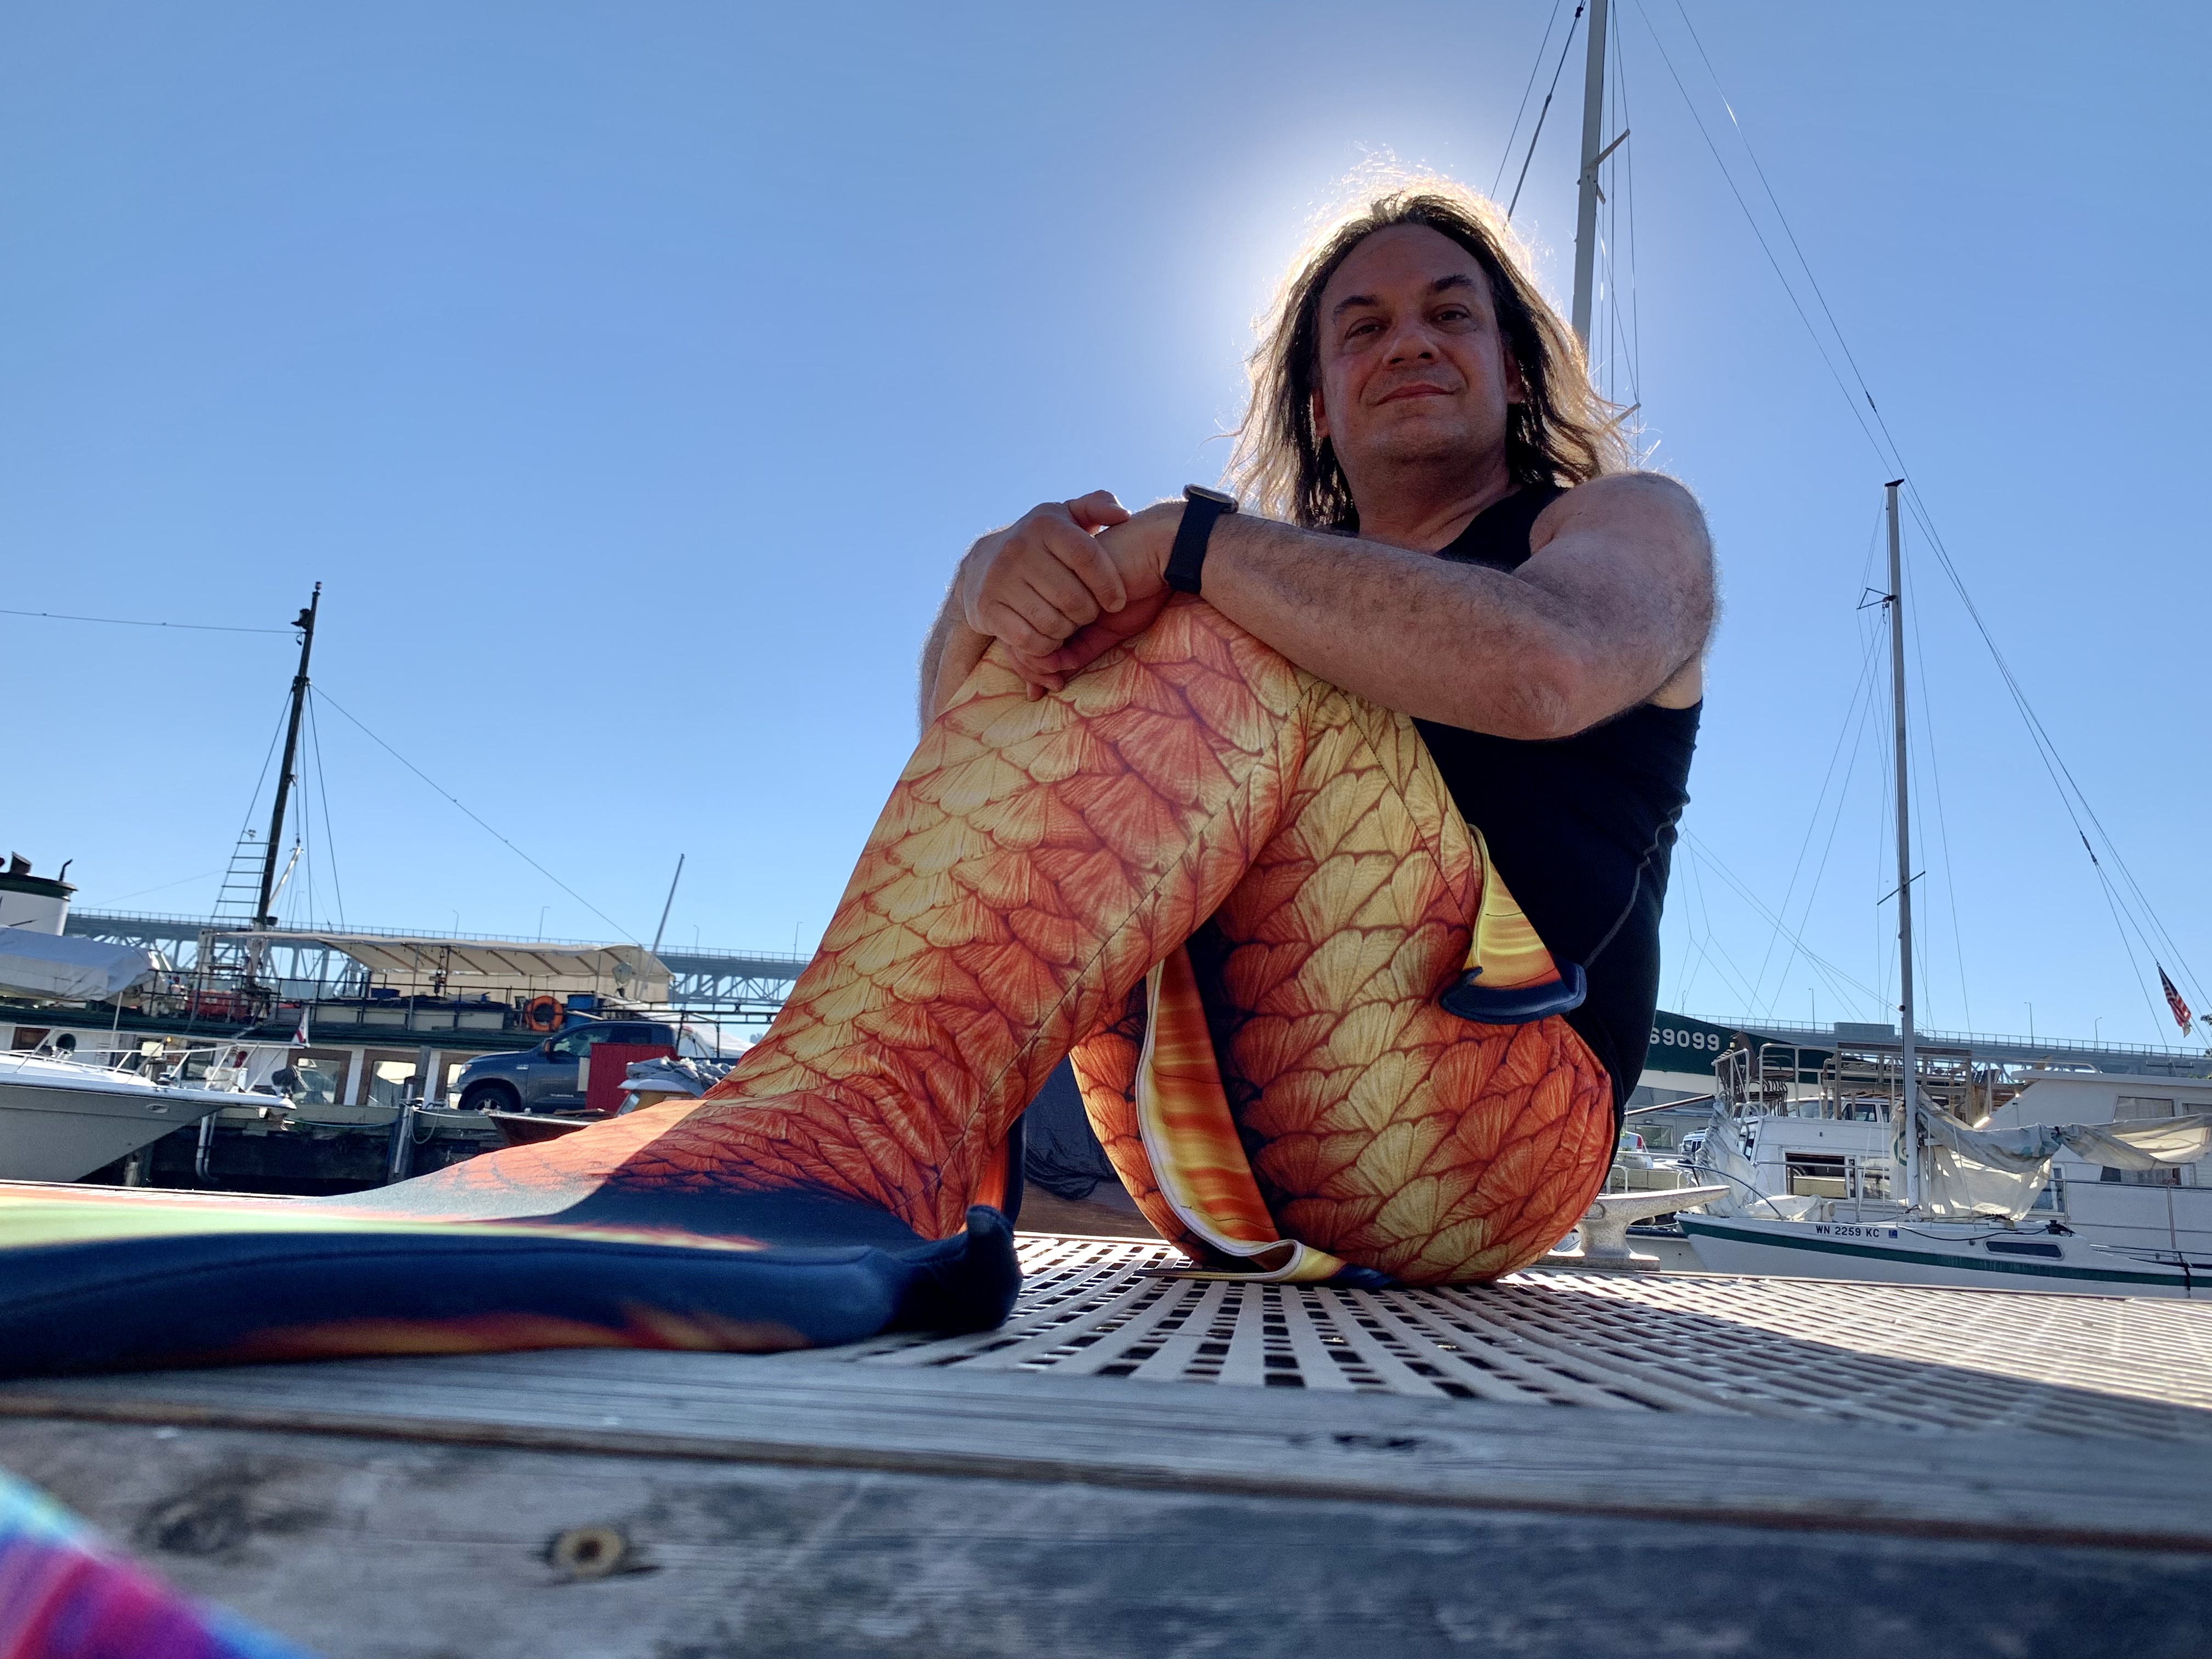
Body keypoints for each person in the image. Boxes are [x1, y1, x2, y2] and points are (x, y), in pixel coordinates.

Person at [0, 178, 1709, 1374]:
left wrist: (1193, 549)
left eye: (1451, 312)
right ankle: (818, 1144)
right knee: (1137, 611)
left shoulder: (1618, 526)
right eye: (1364, 324)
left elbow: (1551, 667)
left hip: (1501, 1136)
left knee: (1200, 602)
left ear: (1513, 364)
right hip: (1209, 1171)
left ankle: (823, 1154)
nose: (1411, 341)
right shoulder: (1269, 577)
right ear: (1320, 401)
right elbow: (1000, 784)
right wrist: (990, 597)